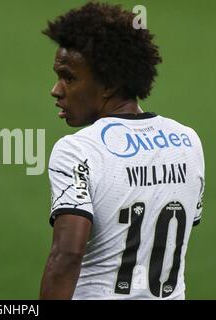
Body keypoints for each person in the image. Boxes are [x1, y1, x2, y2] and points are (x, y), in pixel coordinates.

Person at [39, 2, 205, 300]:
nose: (56, 89)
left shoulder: (77, 150)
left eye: (69, 77)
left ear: (110, 84)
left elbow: (67, 255)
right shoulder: (188, 141)